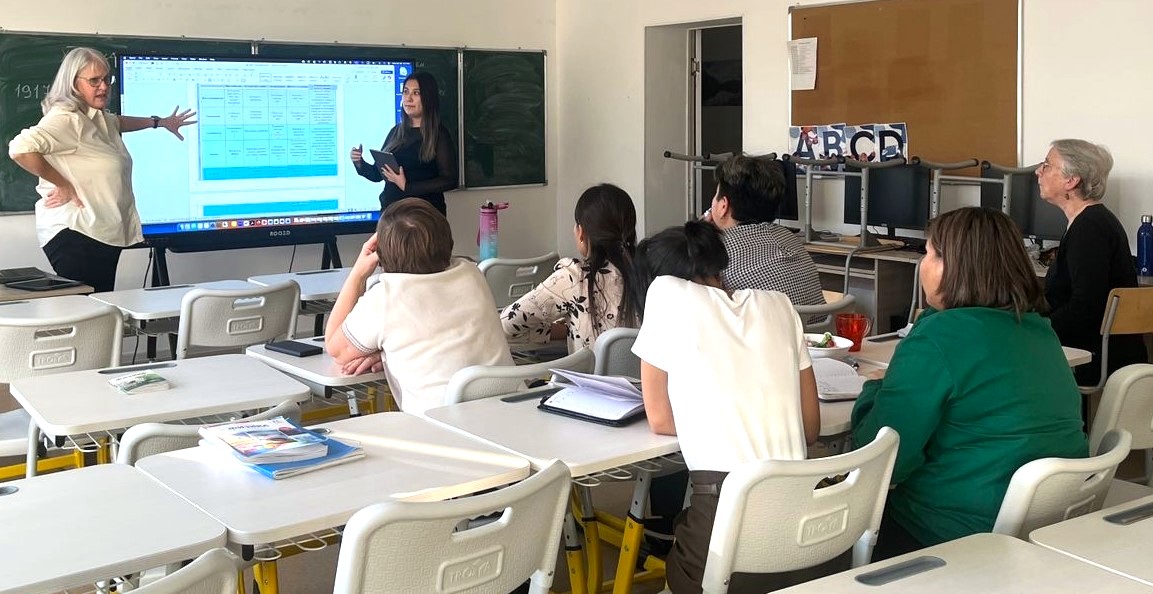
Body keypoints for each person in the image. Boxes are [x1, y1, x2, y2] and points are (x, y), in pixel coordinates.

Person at [851, 207, 1088, 560]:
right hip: (1050, 524)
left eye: (929, 253)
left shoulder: (939, 338)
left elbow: (883, 458)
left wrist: (874, 389)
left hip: (955, 534)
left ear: (955, 267)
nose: (922, 265)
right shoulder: (1040, 330)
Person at [631, 221, 820, 594]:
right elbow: (809, 428)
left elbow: (660, 418)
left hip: (728, 531)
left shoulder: (665, 293)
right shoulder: (779, 305)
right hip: (803, 535)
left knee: (678, 559)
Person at [8, 47, 196, 292]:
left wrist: (158, 123)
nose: (104, 87)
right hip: (78, 232)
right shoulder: (67, 119)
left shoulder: (96, 117)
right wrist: (63, 184)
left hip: (100, 231)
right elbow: (20, 149)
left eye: (107, 79)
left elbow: (119, 122)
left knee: (102, 304)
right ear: (73, 84)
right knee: (90, 309)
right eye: (94, 81)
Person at [325, 198, 512, 416]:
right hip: (507, 415)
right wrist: (390, 349)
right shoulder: (472, 273)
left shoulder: (386, 296)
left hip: (440, 425)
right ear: (448, 241)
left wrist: (358, 273)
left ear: (380, 253)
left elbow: (336, 349)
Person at [1037, 139, 1147, 385]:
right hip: (1096, 348)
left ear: (1071, 180)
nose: (1038, 171)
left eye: (1046, 165)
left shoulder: (1089, 228)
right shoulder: (1090, 222)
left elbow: (1085, 305)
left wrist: (1037, 329)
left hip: (1092, 355)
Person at [501, 183, 638, 352]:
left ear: (582, 233)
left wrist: (563, 330)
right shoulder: (652, 273)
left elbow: (506, 325)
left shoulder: (574, 277)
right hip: (644, 371)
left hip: (587, 370)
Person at [704, 154, 825, 310]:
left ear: (723, 206)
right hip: (816, 326)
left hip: (763, 326)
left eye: (716, 195)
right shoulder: (789, 237)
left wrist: (700, 234)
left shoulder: (716, 250)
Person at [350, 71, 458, 215]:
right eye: (406, 92)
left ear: (428, 97)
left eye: (416, 93)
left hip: (423, 216)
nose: (408, 98)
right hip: (391, 215)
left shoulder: (439, 134)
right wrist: (359, 162)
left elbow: (449, 180)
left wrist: (408, 187)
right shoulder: (396, 131)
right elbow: (378, 174)